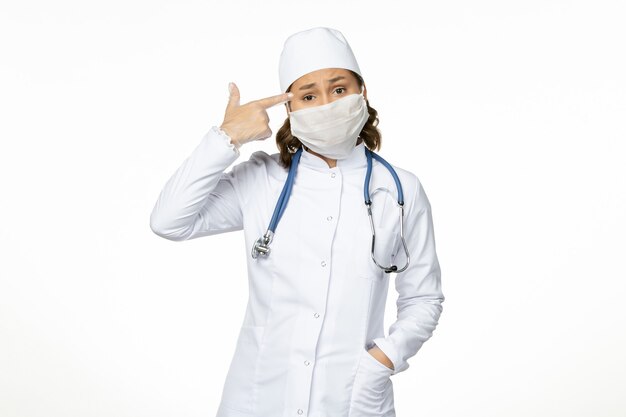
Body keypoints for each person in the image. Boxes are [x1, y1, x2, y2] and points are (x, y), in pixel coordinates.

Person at [150, 26, 445, 417]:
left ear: (363, 92)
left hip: (352, 398)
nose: (326, 104)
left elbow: (423, 298)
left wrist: (383, 361)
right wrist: (227, 138)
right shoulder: (260, 181)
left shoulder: (399, 190)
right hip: (257, 398)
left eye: (338, 89)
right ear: (290, 110)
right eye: (308, 95)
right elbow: (168, 220)